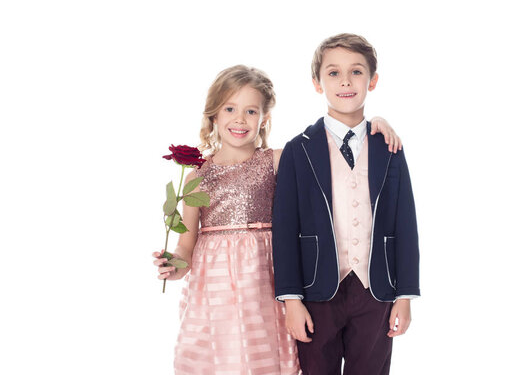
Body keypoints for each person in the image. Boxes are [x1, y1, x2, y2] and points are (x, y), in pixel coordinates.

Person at [152, 64, 402, 375]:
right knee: (222, 356)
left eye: (251, 111)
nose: (240, 119)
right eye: (230, 108)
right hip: (215, 289)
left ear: (265, 118)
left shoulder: (278, 160)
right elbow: (186, 245)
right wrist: (174, 266)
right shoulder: (196, 177)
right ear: (214, 114)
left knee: (265, 354)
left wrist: (375, 123)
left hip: (264, 278)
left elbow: (334, 144)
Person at [272, 34, 420, 375]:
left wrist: (405, 296)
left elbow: (405, 224)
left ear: (373, 80)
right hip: (316, 289)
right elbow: (284, 229)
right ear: (317, 82)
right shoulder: (298, 149)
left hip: (376, 287)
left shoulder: (389, 147)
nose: (345, 82)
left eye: (356, 72)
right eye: (333, 73)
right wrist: (291, 300)